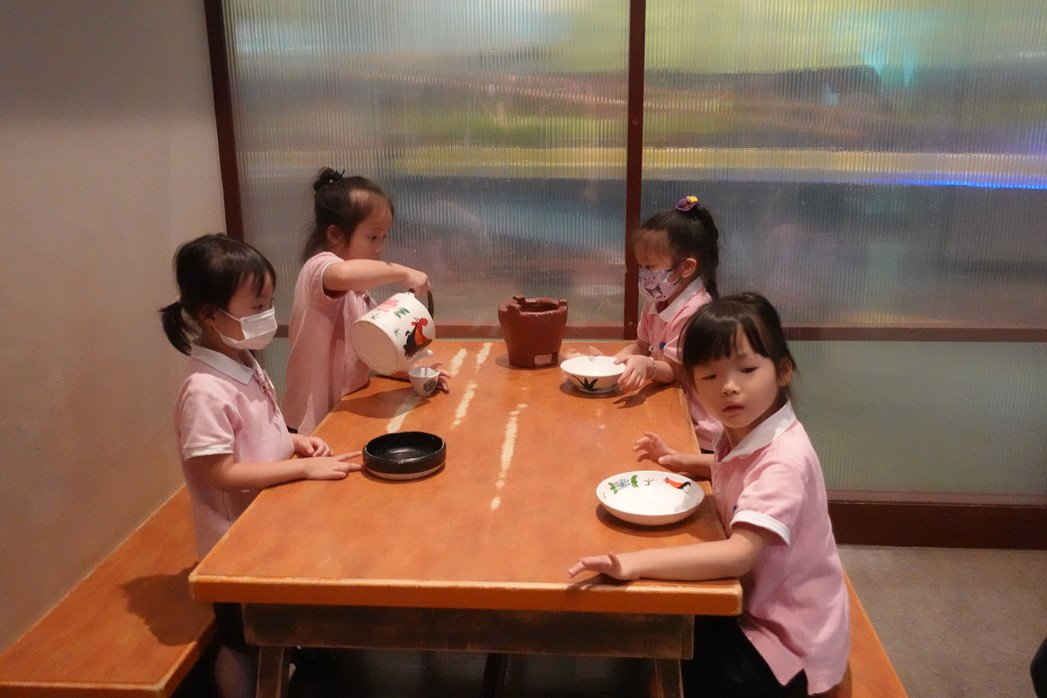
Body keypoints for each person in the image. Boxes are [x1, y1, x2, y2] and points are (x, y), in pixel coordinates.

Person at [570, 293, 849, 697]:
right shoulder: (746, 431)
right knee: (656, 617)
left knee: (661, 635)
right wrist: (681, 459)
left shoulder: (784, 460)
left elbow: (739, 554)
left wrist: (634, 563)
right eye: (710, 376)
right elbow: (733, 467)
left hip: (786, 646)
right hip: (758, 605)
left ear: (783, 370)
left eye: (747, 369)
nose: (729, 388)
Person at [160, 234, 360, 697]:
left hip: (265, 527)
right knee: (242, 645)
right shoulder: (204, 390)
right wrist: (301, 470)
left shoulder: (244, 360)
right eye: (255, 307)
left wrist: (294, 441)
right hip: (232, 547)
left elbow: (258, 431)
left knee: (275, 623)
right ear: (210, 314)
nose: (268, 315)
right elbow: (220, 473)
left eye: (269, 302)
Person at [283, 168, 449, 435]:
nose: (379, 247)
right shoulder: (319, 269)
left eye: (383, 237)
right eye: (372, 237)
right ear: (335, 234)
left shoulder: (359, 292)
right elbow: (343, 274)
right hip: (309, 424)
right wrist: (402, 272)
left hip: (343, 412)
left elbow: (370, 353)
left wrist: (413, 373)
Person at [613, 194, 721, 471]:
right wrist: (614, 363)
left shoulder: (695, 311)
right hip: (675, 408)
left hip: (702, 430)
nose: (643, 275)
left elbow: (674, 371)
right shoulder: (656, 300)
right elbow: (640, 345)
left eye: (650, 267)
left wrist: (647, 365)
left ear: (686, 267)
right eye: (641, 266)